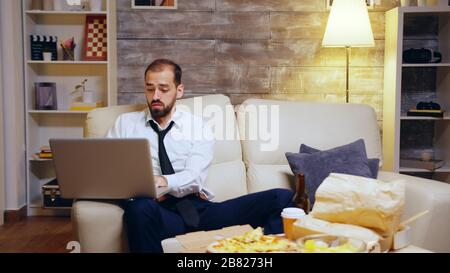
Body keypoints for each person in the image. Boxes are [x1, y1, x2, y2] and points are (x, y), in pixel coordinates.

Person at [106, 59, 296, 253]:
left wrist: (161, 182)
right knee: (139, 208)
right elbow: (107, 172)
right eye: (149, 88)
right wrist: (143, 192)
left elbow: (195, 177)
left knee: (281, 198)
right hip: (157, 212)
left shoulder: (197, 126)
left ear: (179, 90)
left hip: (199, 209)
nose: (155, 96)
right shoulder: (125, 124)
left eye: (163, 89)